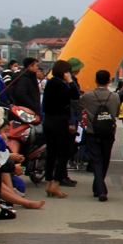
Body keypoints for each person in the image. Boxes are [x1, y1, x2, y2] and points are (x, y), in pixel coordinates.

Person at [77, 70, 121, 201]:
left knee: (96, 160)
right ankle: (99, 187)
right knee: (105, 159)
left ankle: (100, 188)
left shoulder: (89, 96)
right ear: (109, 81)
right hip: (108, 132)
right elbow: (117, 113)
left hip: (93, 132)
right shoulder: (115, 97)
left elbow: (77, 105)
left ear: (95, 80)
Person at [41, 60, 81, 198]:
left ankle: (48, 182)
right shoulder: (62, 85)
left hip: (48, 121)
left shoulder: (49, 83)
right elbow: (75, 96)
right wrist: (70, 81)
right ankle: (56, 184)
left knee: (51, 153)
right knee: (63, 153)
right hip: (60, 122)